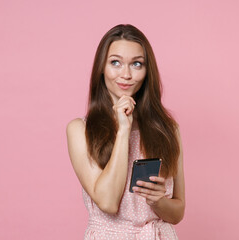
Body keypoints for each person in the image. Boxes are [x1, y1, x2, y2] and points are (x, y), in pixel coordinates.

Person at [66, 24, 185, 240]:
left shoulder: (168, 129)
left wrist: (158, 202)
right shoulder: (80, 130)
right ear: (102, 67)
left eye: (137, 64)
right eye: (116, 63)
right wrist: (123, 129)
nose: (126, 74)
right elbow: (108, 203)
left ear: (147, 70)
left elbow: (177, 213)